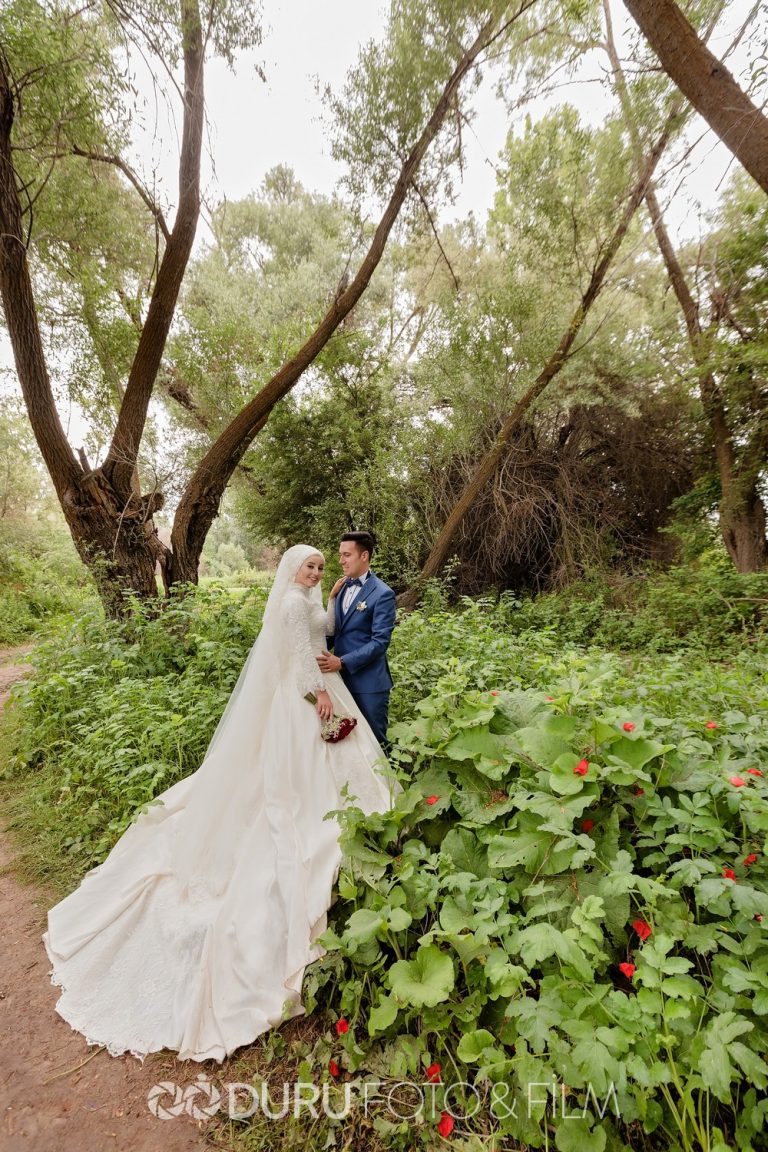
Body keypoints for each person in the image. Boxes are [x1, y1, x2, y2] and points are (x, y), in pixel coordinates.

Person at [42, 544, 399, 1064]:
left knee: (342, 765)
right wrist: (317, 695)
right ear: (292, 568)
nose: (318, 571)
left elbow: (321, 630)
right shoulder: (289, 603)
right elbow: (299, 656)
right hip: (307, 694)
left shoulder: (308, 599)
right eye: (311, 566)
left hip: (327, 682)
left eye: (323, 566)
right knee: (291, 781)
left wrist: (331, 600)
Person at [317, 531, 396, 750]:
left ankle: (389, 773)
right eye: (340, 554)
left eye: (347, 555)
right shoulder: (341, 587)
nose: (341, 560)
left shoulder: (383, 594)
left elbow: (380, 643)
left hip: (369, 683)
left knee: (375, 743)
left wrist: (342, 661)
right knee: (350, 746)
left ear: (364, 556)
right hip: (339, 681)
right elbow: (335, 632)